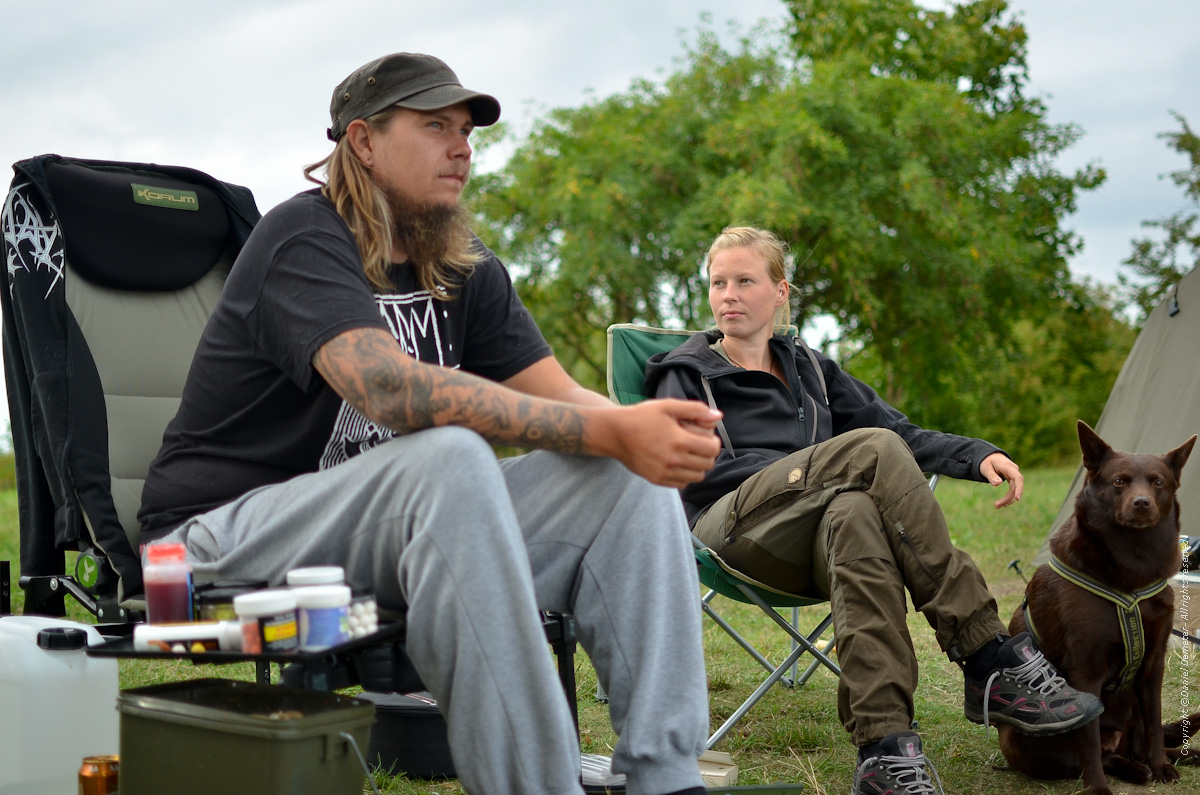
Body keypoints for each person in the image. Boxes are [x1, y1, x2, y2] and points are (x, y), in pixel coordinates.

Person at [137, 52, 724, 795]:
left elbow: (572, 401)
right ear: (363, 142)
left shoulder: (461, 265)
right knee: (449, 454)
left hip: (394, 542)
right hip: (215, 540)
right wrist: (613, 430)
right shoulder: (304, 238)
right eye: (435, 126)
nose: (462, 147)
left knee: (620, 475)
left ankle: (668, 777)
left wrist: (648, 433)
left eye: (468, 132)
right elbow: (387, 388)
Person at [644, 226, 1103, 795]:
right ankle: (988, 654)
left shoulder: (810, 368)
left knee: (856, 512)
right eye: (718, 282)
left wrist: (978, 454)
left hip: (810, 534)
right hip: (728, 526)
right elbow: (684, 469)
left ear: (780, 291)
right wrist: (818, 464)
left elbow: (899, 431)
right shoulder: (683, 371)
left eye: (745, 280)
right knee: (868, 454)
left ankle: (885, 750)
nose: (728, 294)